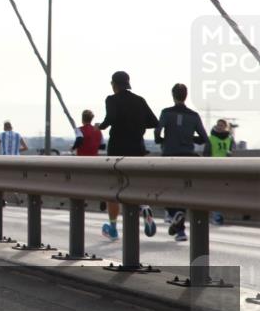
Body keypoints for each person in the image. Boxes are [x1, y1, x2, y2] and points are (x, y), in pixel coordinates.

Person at [97, 70, 158, 241]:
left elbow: (111, 118)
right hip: (137, 149)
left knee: (115, 188)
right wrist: (137, 123)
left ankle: (113, 228)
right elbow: (154, 122)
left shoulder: (112, 99)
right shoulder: (139, 100)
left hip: (117, 149)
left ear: (114, 85)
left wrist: (100, 127)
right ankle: (144, 207)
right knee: (135, 184)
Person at [154, 83, 208, 241]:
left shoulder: (166, 112)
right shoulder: (193, 115)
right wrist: (190, 138)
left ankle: (174, 216)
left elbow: (157, 131)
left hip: (170, 156)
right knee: (183, 190)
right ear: (186, 95)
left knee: (164, 189)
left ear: (173, 95)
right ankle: (180, 231)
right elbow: (204, 138)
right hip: (188, 157)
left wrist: (162, 140)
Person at [204, 118, 235, 226]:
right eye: (218, 124)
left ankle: (218, 216)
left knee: (222, 194)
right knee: (215, 193)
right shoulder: (210, 138)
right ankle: (217, 217)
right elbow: (206, 154)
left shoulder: (230, 139)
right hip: (213, 169)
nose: (219, 126)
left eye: (222, 125)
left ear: (225, 127)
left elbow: (231, 152)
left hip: (226, 169)